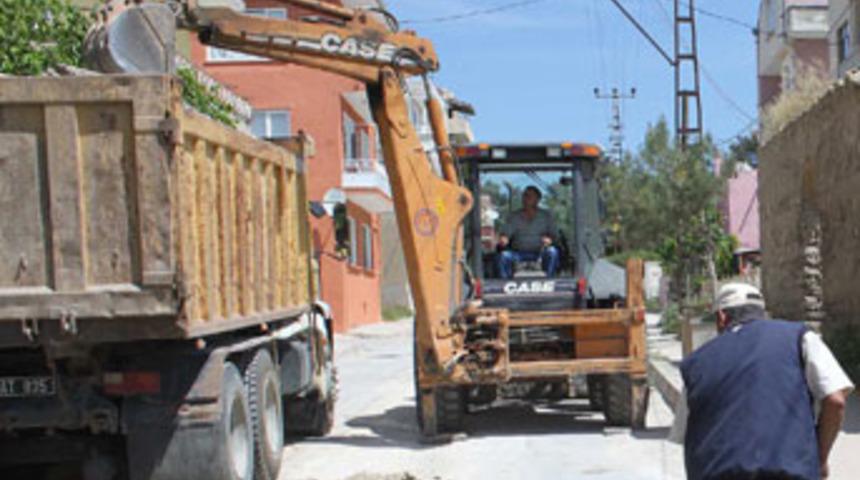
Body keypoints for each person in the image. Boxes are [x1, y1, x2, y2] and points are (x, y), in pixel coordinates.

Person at [669, 283, 854, 480]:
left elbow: (683, 433)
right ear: (761, 313)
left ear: (721, 317)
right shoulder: (799, 337)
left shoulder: (695, 364)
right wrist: (820, 459)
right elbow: (835, 400)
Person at [496, 186, 560, 278]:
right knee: (504, 256)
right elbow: (505, 235)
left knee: (553, 252)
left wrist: (550, 240)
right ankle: (505, 283)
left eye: (529, 196)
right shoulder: (514, 217)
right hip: (518, 254)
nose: (526, 199)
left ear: (537, 199)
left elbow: (555, 236)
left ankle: (550, 280)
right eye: (524, 196)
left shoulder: (546, 216)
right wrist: (503, 239)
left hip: (540, 253)